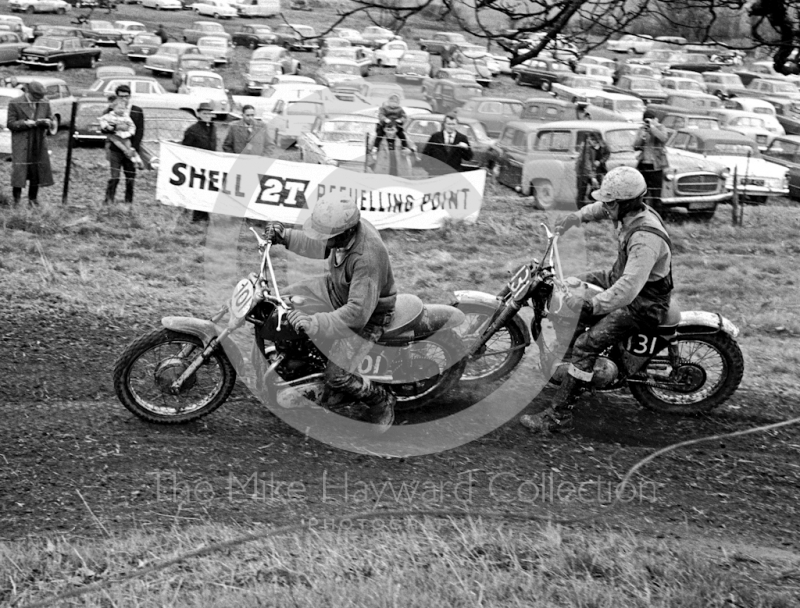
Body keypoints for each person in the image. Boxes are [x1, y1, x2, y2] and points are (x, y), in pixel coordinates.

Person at [520, 166, 674, 433]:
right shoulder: (628, 213)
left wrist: (592, 305)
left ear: (626, 203)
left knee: (585, 345)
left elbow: (628, 288)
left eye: (611, 202)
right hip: (617, 278)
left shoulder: (645, 238)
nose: (606, 206)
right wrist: (573, 218)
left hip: (642, 303)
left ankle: (559, 417)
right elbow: (599, 209)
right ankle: (569, 368)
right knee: (569, 285)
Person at [265, 195, 397, 431]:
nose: (323, 239)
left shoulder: (366, 257)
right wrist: (283, 236)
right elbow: (319, 243)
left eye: (327, 235)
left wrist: (315, 323)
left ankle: (380, 399)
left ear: (345, 233)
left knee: (337, 376)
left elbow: (357, 314)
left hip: (368, 315)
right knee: (280, 304)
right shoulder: (344, 233)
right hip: (335, 290)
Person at [7, 80, 54, 206]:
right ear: (28, 92)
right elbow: (10, 123)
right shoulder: (15, 103)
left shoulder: (44, 102)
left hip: (38, 140)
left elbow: (51, 118)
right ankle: (16, 201)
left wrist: (48, 122)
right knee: (19, 171)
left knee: (36, 171)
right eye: (35, 97)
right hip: (22, 142)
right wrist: (25, 123)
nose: (37, 100)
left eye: (39, 98)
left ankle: (32, 200)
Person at [101, 85, 144, 205]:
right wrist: (116, 127)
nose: (124, 99)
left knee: (130, 177)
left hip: (131, 148)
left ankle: (128, 202)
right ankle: (108, 201)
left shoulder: (137, 110)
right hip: (115, 148)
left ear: (130, 96)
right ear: (117, 97)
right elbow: (104, 129)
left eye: (126, 96)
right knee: (114, 176)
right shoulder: (111, 110)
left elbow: (140, 131)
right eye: (121, 96)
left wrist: (133, 148)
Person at [181, 102, 217, 222]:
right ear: (199, 114)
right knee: (198, 190)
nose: (207, 115)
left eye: (209, 113)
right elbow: (185, 148)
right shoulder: (192, 130)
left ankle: (205, 215)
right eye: (204, 113)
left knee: (208, 190)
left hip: (210, 164)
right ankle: (196, 217)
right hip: (196, 165)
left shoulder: (213, 128)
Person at [634, 108, 669, 209]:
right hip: (644, 164)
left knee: (656, 194)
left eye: (650, 120)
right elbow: (635, 146)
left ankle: (657, 216)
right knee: (642, 192)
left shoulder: (661, 128)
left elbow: (663, 138)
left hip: (656, 166)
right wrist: (642, 136)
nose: (647, 122)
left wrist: (653, 128)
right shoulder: (642, 129)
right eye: (646, 120)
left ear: (655, 119)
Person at [99, 97, 144, 169]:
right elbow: (102, 120)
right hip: (115, 135)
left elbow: (132, 125)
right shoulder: (109, 115)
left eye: (123, 109)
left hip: (125, 136)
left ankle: (138, 160)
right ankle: (133, 161)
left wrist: (130, 132)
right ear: (114, 108)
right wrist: (107, 126)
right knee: (122, 147)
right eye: (119, 108)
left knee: (130, 148)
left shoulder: (126, 116)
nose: (121, 110)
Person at [575, 132, 610, 208]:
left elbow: (607, 153)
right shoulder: (586, 147)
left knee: (598, 188)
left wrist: (600, 161)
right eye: (591, 140)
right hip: (583, 171)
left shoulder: (603, 144)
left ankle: (595, 207)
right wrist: (593, 177)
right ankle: (580, 210)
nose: (593, 142)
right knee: (582, 191)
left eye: (595, 141)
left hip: (597, 170)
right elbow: (587, 164)